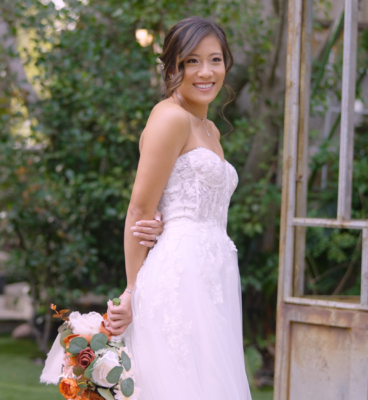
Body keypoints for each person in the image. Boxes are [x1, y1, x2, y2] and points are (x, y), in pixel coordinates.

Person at [105, 16, 252, 399]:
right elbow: (139, 211)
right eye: (191, 61)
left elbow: (184, 202)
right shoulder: (170, 117)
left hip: (214, 271)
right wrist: (133, 291)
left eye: (215, 60)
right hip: (180, 273)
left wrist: (166, 221)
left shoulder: (209, 128)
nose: (206, 72)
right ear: (172, 67)